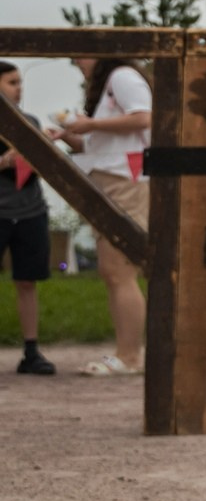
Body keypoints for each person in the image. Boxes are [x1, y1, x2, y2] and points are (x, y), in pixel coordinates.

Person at [56, 56, 153, 376]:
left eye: (78, 58)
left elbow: (144, 118)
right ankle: (126, 353)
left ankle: (129, 356)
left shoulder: (122, 77)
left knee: (119, 270)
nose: (77, 65)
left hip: (126, 179)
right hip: (110, 179)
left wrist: (90, 124)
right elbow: (97, 144)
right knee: (112, 272)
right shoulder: (113, 83)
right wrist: (69, 136)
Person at [1, 63, 56, 374]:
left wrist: (46, 152)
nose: (19, 88)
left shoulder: (30, 123)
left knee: (27, 281)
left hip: (31, 211)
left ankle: (31, 351)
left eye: (20, 82)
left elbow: (45, 168)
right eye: (11, 82)